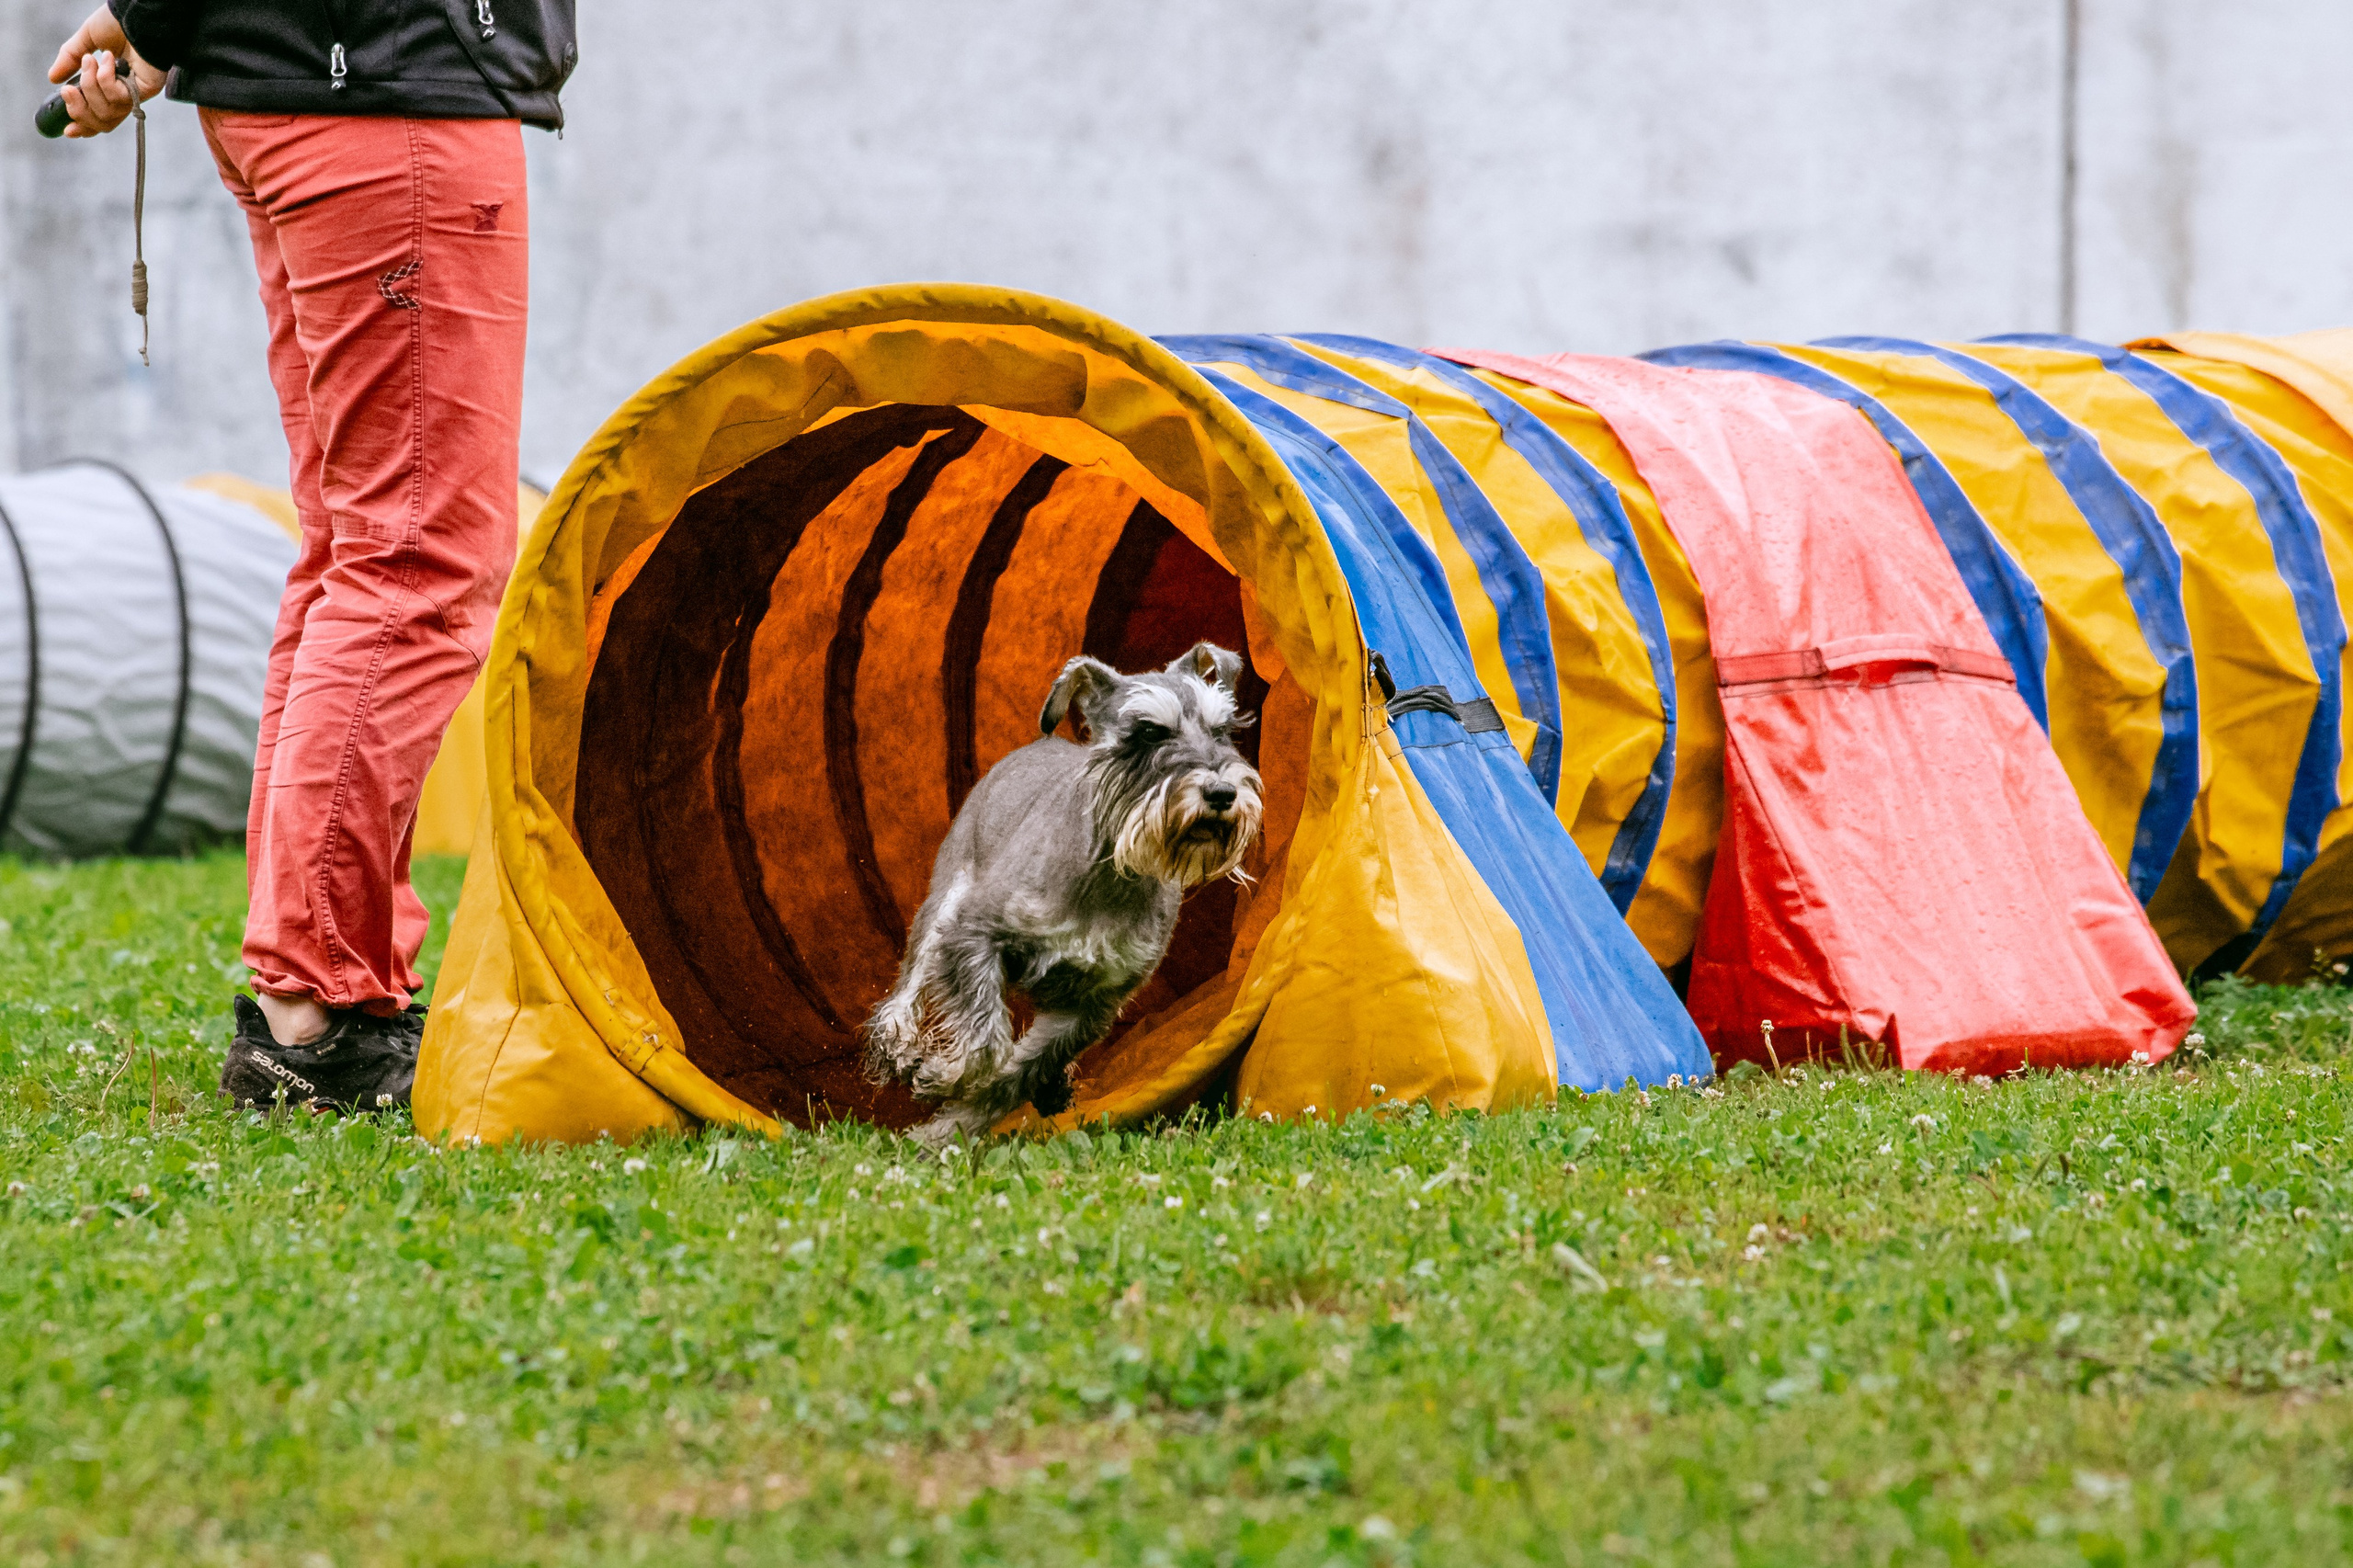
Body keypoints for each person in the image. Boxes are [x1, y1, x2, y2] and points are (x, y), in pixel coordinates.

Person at [49, 0, 575, 1111]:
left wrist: (151, 16)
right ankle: (316, 1013)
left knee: (356, 550)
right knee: (415, 563)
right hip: (382, 91)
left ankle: (327, 992)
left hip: (311, 84)